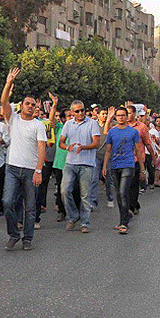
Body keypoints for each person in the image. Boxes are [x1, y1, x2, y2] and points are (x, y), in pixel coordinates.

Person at [0, 68, 46, 251]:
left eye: (33, 105)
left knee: (30, 207)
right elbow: (4, 101)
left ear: (36, 108)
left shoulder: (38, 125)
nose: (30, 106)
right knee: (7, 202)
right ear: (21, 106)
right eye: (27, 103)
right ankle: (13, 234)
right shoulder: (13, 119)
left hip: (30, 171)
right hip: (12, 168)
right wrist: (9, 82)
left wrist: (38, 170)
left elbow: (42, 148)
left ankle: (27, 238)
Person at [59, 100, 100, 233]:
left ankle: (85, 222)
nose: (80, 113)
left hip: (86, 164)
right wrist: (67, 147)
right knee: (64, 191)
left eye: (82, 110)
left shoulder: (92, 123)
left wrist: (84, 147)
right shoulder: (68, 124)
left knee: (85, 195)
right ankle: (73, 216)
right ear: (72, 112)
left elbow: (96, 143)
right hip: (70, 163)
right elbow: (61, 142)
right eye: (77, 111)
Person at [102, 107, 145, 234]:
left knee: (123, 192)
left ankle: (124, 223)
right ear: (116, 117)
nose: (121, 117)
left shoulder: (133, 132)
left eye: (123, 115)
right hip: (115, 166)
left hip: (128, 165)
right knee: (119, 194)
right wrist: (104, 166)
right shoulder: (112, 132)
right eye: (118, 115)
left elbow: (138, 150)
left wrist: (142, 169)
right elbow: (108, 150)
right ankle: (123, 219)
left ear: (127, 117)